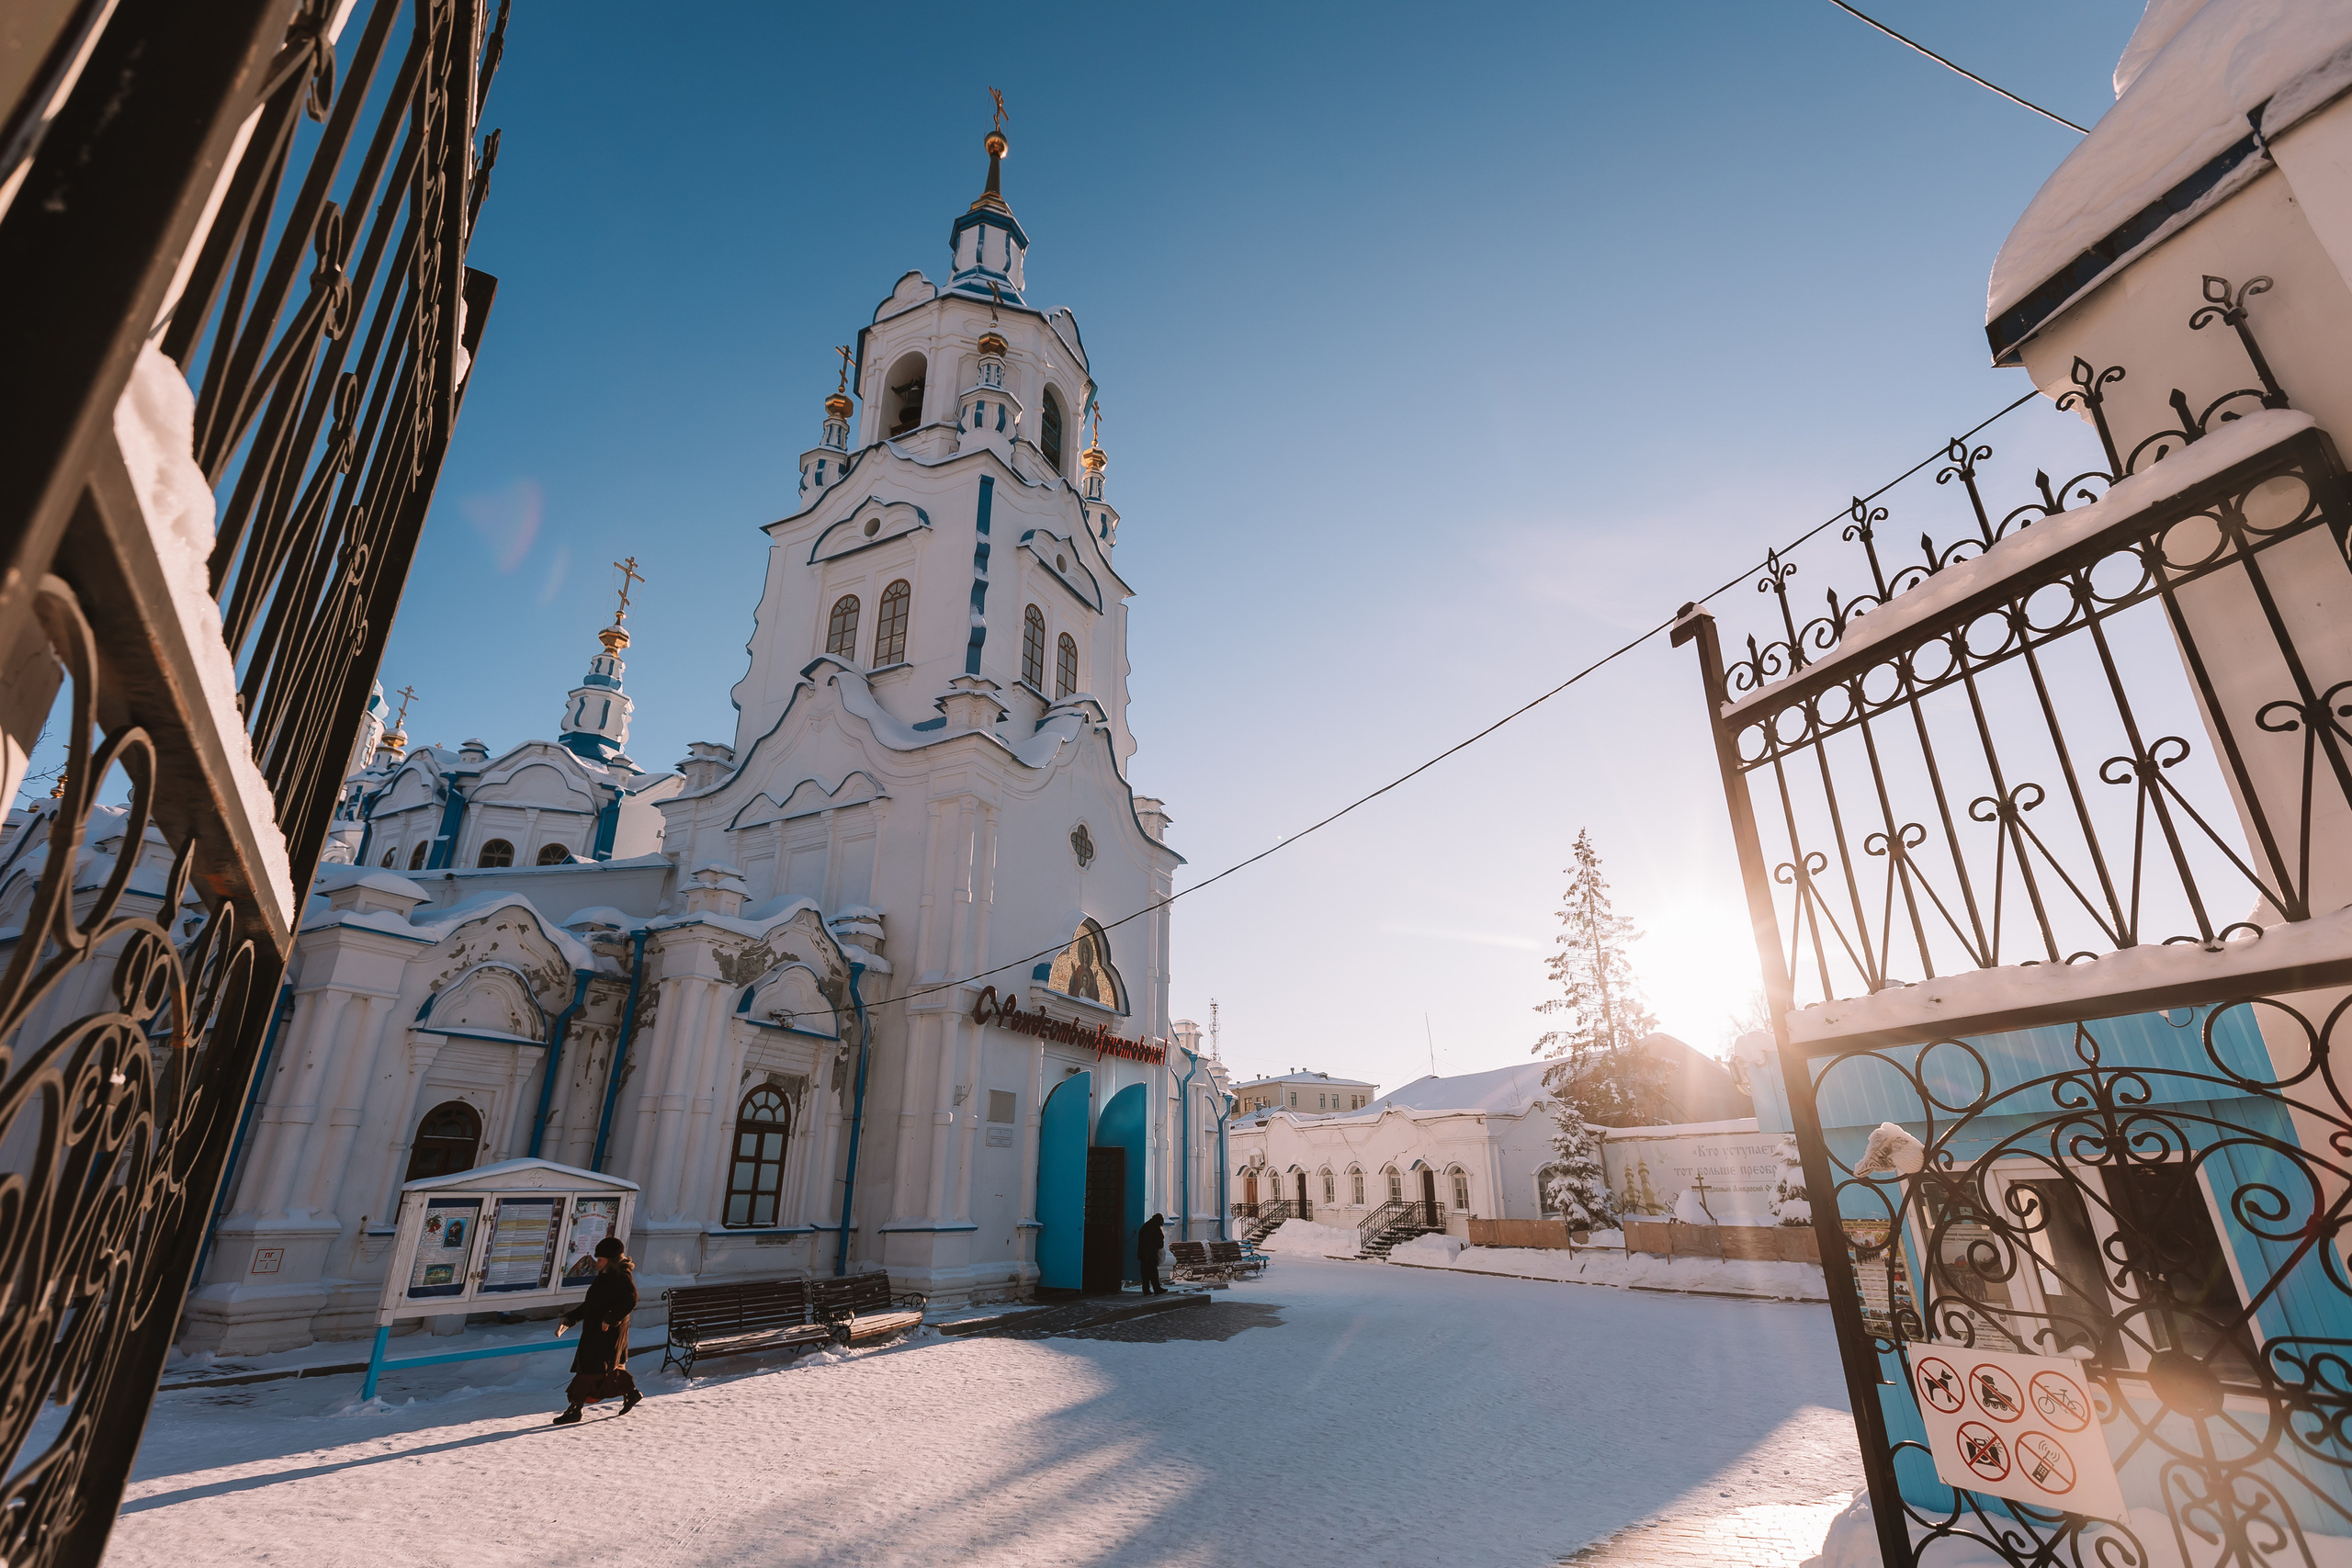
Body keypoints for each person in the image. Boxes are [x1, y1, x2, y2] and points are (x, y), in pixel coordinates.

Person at [553, 1235, 640, 1424]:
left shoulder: (621, 1275)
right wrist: (571, 1318)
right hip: (595, 1331)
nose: (596, 1263)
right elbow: (592, 1304)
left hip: (608, 1334)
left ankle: (575, 1409)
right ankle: (631, 1393)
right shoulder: (606, 1275)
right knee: (604, 1368)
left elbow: (631, 1300)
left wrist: (610, 1318)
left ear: (611, 1260)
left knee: (590, 1370)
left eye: (600, 1260)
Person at [1136, 1212, 1168, 1295]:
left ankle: (1146, 1289)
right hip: (1150, 1254)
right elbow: (1159, 1241)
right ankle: (1156, 1288)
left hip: (1143, 1254)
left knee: (1145, 1272)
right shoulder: (1155, 1228)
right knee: (1153, 1272)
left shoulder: (1146, 1226)